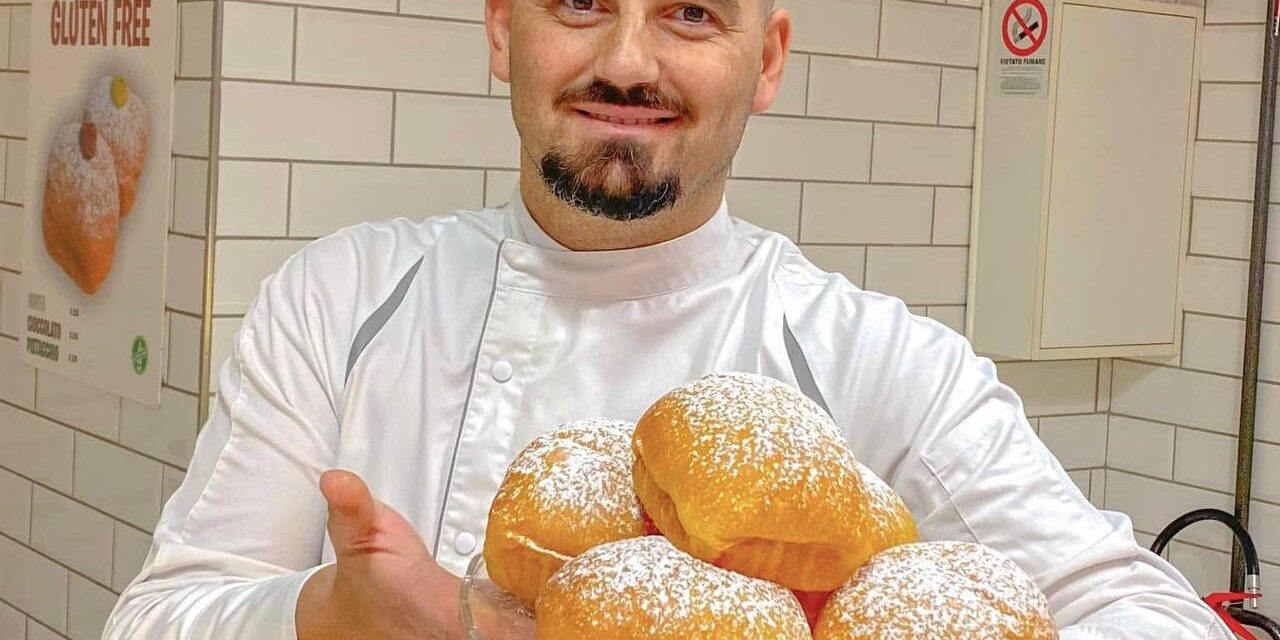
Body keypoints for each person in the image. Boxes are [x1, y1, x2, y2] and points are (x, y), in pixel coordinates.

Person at [104, 0, 1232, 637]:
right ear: (503, 32)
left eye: (691, 12)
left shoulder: (876, 359)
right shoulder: (342, 299)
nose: (628, 59)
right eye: (580, 5)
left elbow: (1153, 618)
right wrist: (318, 617)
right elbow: (151, 621)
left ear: (768, 58)